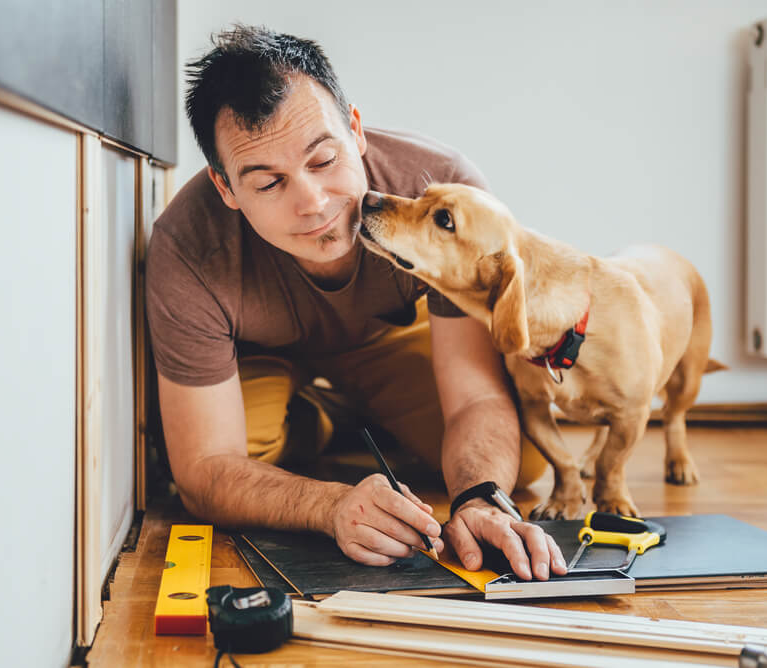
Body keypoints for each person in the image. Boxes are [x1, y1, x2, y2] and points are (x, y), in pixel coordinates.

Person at [145, 25, 567, 581]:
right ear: (226, 188)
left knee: (525, 460)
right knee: (243, 458)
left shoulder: (444, 190)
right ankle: (321, 419)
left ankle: (350, 408)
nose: (313, 203)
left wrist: (481, 496)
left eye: (323, 161)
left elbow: (472, 398)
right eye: (269, 184)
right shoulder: (186, 246)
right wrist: (330, 506)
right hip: (257, 352)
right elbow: (203, 470)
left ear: (356, 131)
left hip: (382, 336)